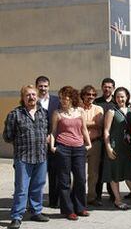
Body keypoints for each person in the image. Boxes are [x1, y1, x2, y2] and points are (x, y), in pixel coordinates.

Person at [3, 85, 50, 229]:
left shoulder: (43, 112)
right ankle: (16, 216)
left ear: (37, 96)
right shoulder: (15, 114)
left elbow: (47, 131)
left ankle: (36, 211)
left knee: (38, 187)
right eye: (28, 95)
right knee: (22, 189)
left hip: (41, 156)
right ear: (23, 97)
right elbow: (7, 136)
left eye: (33, 95)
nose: (31, 97)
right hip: (23, 157)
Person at [50, 86, 92, 220]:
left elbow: (84, 129)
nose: (63, 101)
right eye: (61, 98)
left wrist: (88, 143)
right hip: (63, 148)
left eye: (65, 98)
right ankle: (68, 210)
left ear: (71, 98)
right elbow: (53, 131)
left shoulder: (80, 111)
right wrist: (52, 146)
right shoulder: (57, 113)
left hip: (79, 148)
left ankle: (80, 207)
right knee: (64, 181)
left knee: (80, 178)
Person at [102, 87, 131, 210]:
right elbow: (106, 131)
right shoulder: (112, 111)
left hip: (127, 148)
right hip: (115, 146)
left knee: (129, 173)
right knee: (115, 174)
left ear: (127, 97)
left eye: (122, 96)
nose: (120, 99)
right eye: (118, 96)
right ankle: (118, 200)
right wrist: (108, 147)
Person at [35, 76, 60, 208]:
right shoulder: (32, 100)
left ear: (49, 87)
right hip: (36, 144)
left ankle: (54, 202)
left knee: (54, 173)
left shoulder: (56, 101)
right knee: (38, 175)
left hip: (53, 141)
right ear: (36, 86)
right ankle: (34, 202)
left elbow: (60, 120)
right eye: (40, 86)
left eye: (45, 86)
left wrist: (52, 136)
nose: (43, 88)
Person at [80, 85, 104, 206]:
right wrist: (90, 123)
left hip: (95, 143)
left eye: (93, 95)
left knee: (93, 173)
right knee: (79, 173)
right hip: (80, 144)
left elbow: (99, 123)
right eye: (88, 94)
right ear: (83, 95)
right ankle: (78, 197)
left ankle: (91, 197)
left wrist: (83, 123)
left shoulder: (98, 108)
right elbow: (77, 124)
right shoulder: (77, 108)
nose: (90, 97)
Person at [94, 78, 116, 204]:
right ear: (102, 87)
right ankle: (97, 196)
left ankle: (113, 193)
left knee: (111, 167)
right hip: (99, 140)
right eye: (105, 87)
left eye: (109, 87)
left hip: (112, 141)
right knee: (98, 168)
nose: (107, 89)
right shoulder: (97, 103)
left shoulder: (116, 102)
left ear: (113, 88)